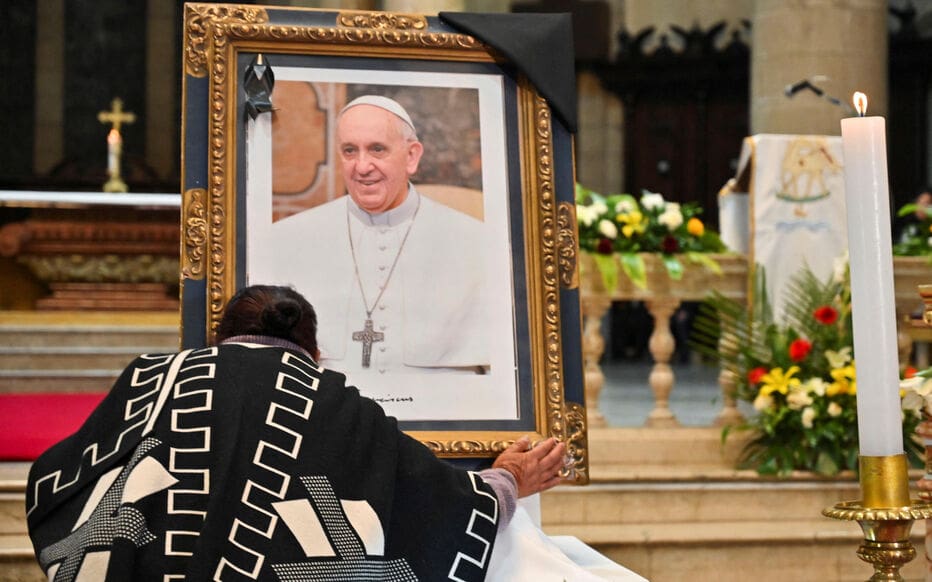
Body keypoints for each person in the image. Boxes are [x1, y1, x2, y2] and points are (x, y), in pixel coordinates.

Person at [25, 285, 565, 581]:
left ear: (221, 337)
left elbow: (58, 479)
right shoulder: (332, 400)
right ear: (313, 350)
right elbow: (438, 503)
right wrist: (509, 477)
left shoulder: (153, 376)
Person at [252, 95, 488, 382]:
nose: (362, 167)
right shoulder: (285, 240)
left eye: (377, 149)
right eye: (350, 151)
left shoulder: (476, 243)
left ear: (412, 156)